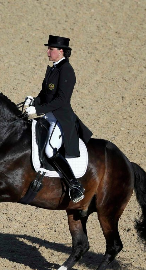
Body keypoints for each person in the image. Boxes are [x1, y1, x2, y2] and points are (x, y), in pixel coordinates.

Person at [25, 35, 93, 203]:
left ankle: (75, 185)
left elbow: (61, 100)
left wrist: (37, 109)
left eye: (51, 49)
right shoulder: (54, 69)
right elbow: (45, 94)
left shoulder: (66, 70)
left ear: (61, 51)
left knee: (50, 150)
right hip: (48, 114)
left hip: (60, 118)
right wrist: (33, 101)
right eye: (48, 49)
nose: (48, 52)